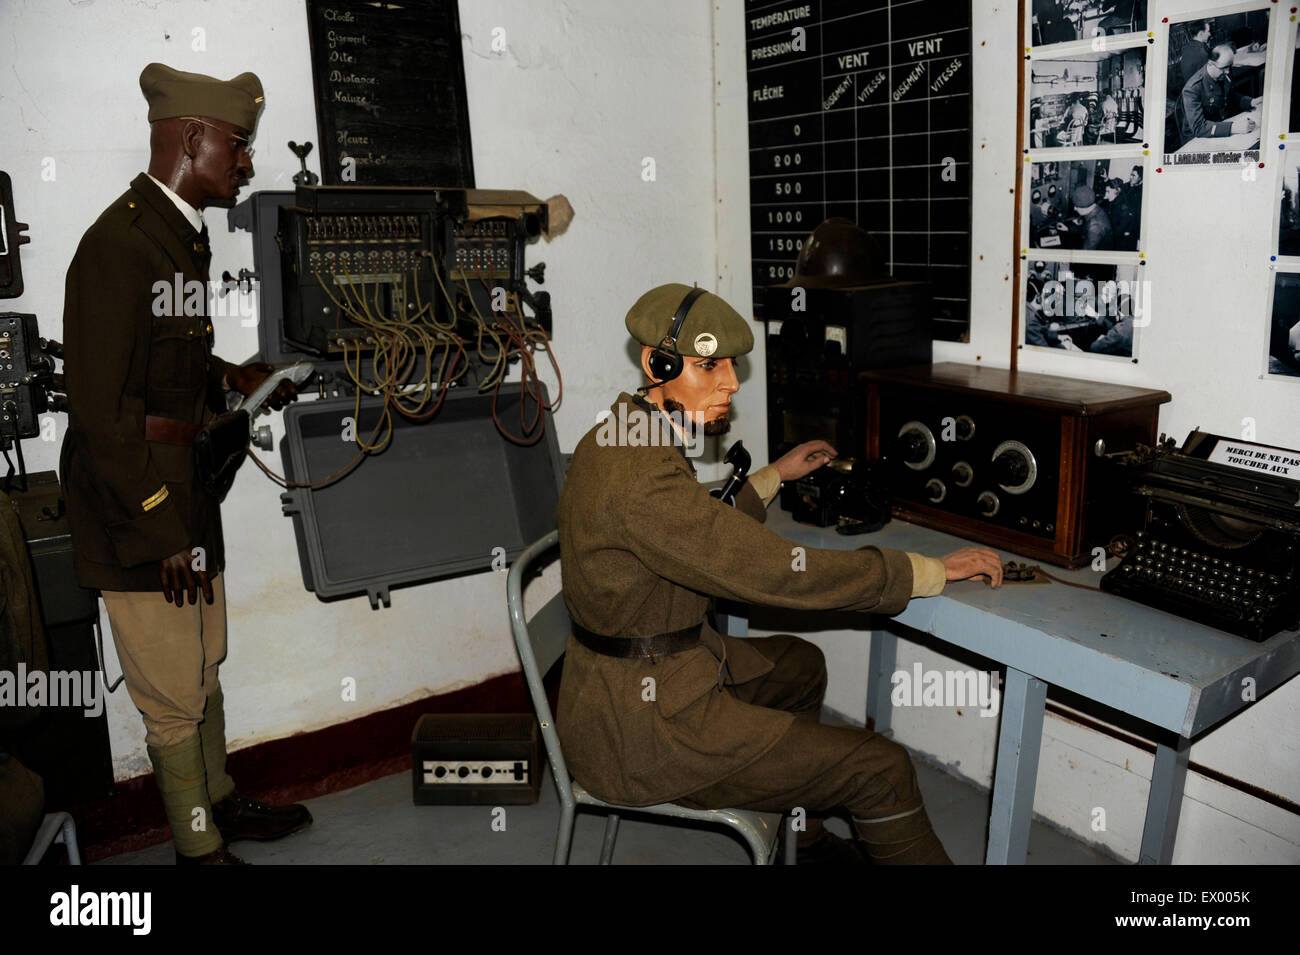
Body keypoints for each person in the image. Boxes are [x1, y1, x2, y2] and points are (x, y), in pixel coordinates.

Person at [555, 283, 1003, 865]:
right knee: (880, 768)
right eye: (709, 365)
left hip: (627, 684)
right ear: (656, 363)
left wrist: (772, 477)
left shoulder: (625, 431)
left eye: (732, 367)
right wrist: (923, 571)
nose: (732, 384)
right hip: (641, 732)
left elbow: (690, 531)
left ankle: (807, 842)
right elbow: (774, 572)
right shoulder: (638, 474)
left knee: (800, 666)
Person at [59, 63, 307, 865]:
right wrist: (161, 526)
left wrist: (227, 374)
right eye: (238, 145)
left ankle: (221, 800)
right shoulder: (117, 246)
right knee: (169, 687)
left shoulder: (176, 236)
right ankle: (197, 849)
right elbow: (102, 413)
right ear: (192, 138)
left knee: (203, 658)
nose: (245, 162)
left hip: (182, 489)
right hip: (138, 505)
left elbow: (162, 366)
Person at [1181, 45, 1262, 141]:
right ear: (1210, 64)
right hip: (1198, 137)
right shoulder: (1192, 89)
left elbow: (1230, 96)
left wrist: (1251, 102)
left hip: (1221, 125)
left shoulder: (1223, 74)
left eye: (1229, 67)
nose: (1227, 72)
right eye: (1224, 68)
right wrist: (1233, 128)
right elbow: (1199, 127)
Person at [1071, 185, 1114, 250]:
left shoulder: (1095, 227)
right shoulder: (1096, 208)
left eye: (1077, 206)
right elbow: (1086, 228)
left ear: (1084, 208)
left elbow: (1085, 254)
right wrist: (1069, 229)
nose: (1074, 209)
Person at [1103, 178, 1138, 251]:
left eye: (1108, 192)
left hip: (1120, 244)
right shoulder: (1113, 202)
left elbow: (1118, 230)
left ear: (1117, 190)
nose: (1106, 194)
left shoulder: (1122, 207)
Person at [1179, 21, 1213, 87]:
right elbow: (1208, 78)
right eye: (1208, 31)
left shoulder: (1187, 47)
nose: (1210, 34)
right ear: (1201, 34)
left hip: (1189, 87)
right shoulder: (1201, 53)